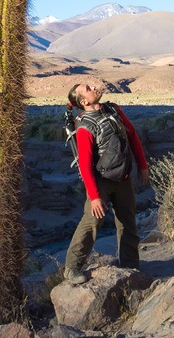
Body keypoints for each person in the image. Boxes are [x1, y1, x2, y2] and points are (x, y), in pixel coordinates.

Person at [63, 79, 149, 285]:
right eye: (88, 89)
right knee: (92, 222)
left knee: (127, 222)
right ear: (84, 102)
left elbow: (132, 135)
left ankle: (130, 267)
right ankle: (72, 268)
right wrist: (94, 197)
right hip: (101, 181)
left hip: (123, 177)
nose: (93, 87)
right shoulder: (85, 127)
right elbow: (85, 165)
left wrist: (142, 164)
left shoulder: (113, 109)